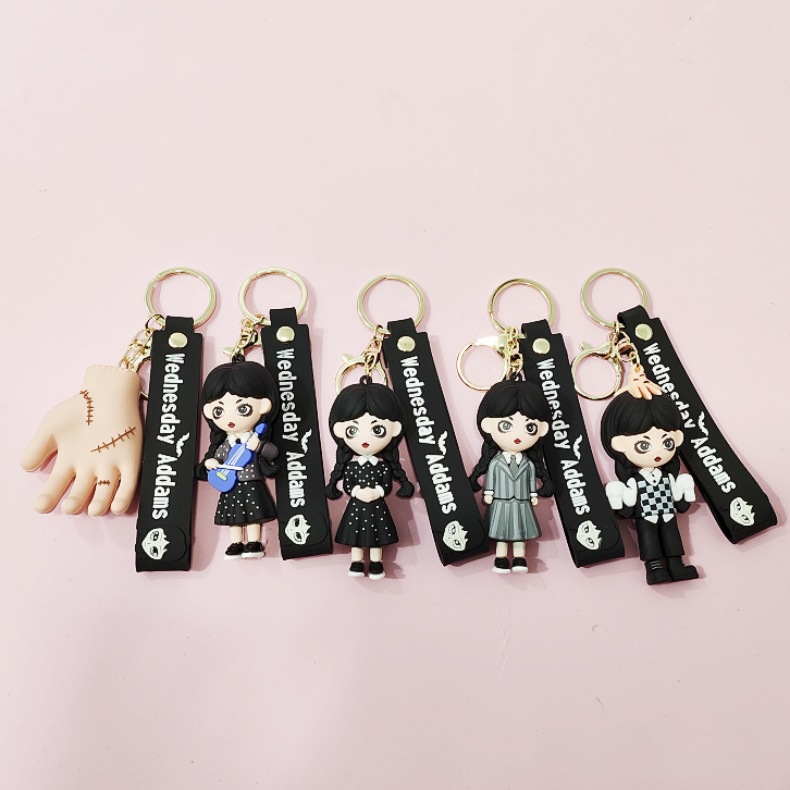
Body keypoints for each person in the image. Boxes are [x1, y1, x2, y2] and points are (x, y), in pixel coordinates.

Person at [600, 389, 698, 585]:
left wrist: (686, 490)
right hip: (645, 516)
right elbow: (628, 503)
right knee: (648, 538)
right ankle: (654, 567)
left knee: (672, 536)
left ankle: (676, 564)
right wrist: (616, 496)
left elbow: (679, 498)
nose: (658, 452)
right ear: (619, 444)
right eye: (644, 445)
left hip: (668, 513)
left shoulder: (667, 477)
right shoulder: (635, 482)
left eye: (667, 443)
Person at [326, 377, 414, 579]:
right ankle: (356, 563)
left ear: (395, 429)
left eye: (377, 429)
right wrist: (357, 492)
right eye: (353, 430)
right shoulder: (351, 466)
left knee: (377, 538)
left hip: (377, 506)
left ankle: (376, 563)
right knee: (356, 538)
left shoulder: (383, 467)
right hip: (357, 506)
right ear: (339, 430)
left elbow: (387, 485)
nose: (365, 439)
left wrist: (378, 492)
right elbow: (348, 485)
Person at [469, 378, 553, 574]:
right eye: (506, 425)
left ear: (542, 429)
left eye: (529, 427)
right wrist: (488, 493)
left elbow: (531, 480)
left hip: (521, 502)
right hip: (501, 502)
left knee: (519, 532)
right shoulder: (496, 462)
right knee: (501, 532)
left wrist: (533, 495)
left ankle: (519, 558)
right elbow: (492, 478)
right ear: (487, 425)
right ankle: (500, 559)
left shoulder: (528, 463)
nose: (517, 435)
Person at [197, 360, 279, 559]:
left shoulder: (254, 440)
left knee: (253, 515)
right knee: (233, 517)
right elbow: (217, 457)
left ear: (264, 405)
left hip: (251, 483)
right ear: (208, 411)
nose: (230, 418)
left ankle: (254, 542)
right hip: (230, 484)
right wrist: (210, 463)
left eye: (242, 408)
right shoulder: (226, 444)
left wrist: (258, 446)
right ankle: (235, 543)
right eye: (219, 411)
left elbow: (273, 453)